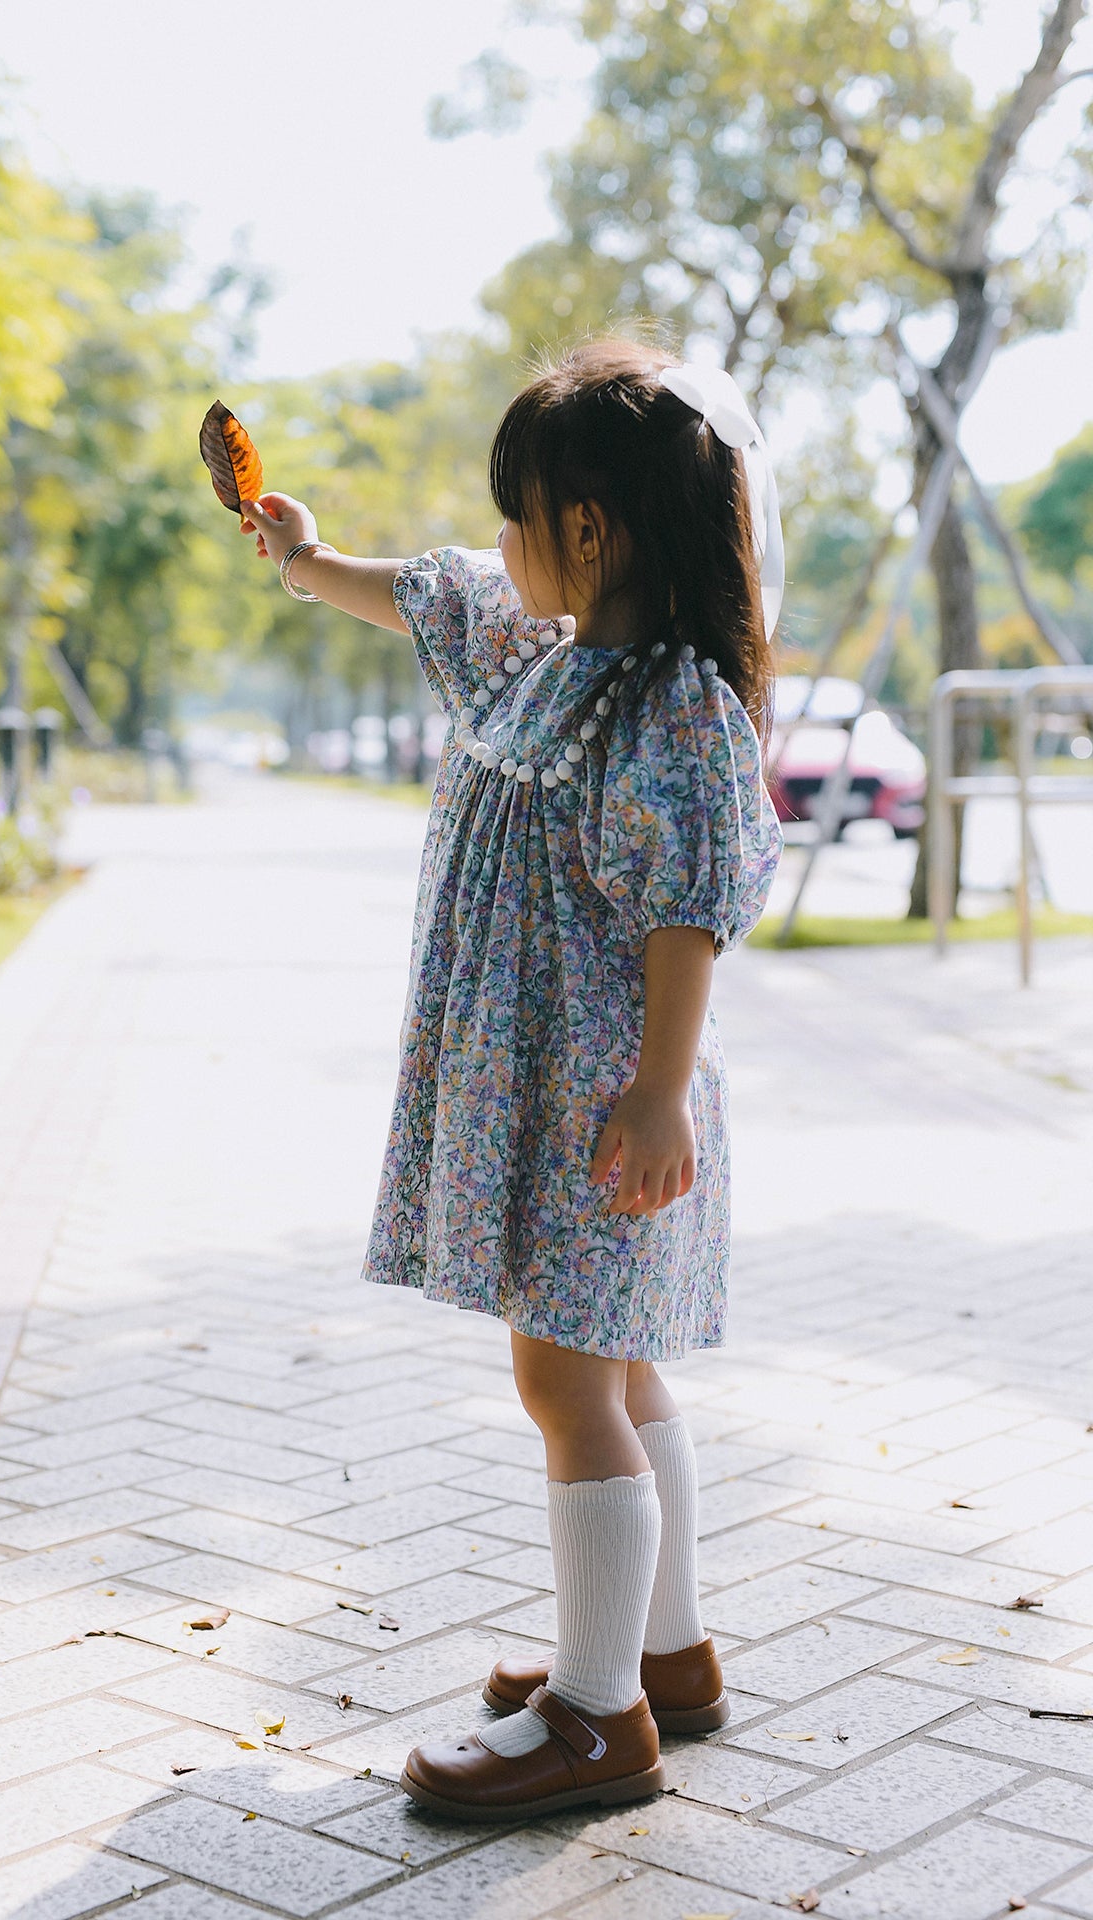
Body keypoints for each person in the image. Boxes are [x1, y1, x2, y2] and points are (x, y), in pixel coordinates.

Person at [239, 338, 783, 1822]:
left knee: (564, 1378)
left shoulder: (668, 705)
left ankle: (599, 1718)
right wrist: (303, 556)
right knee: (617, 1363)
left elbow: (688, 909)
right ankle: (666, 1654)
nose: (496, 545)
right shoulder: (545, 659)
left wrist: (664, 1087)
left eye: (516, 512)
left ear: (589, 530)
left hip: (606, 1097)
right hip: (558, 1089)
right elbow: (416, 591)